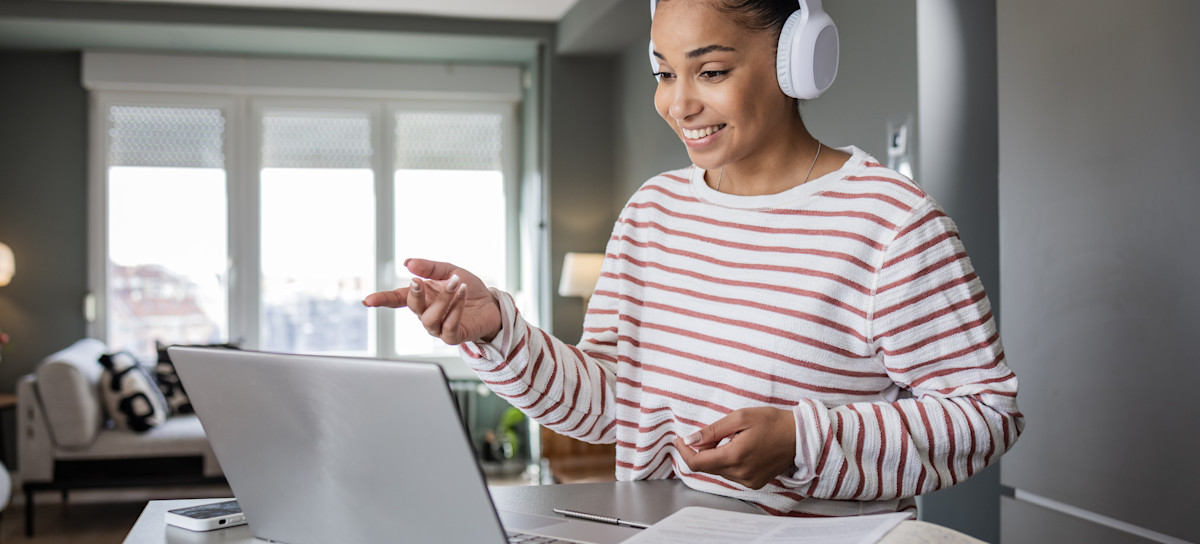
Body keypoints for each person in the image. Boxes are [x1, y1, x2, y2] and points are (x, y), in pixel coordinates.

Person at [365, 0, 1023, 517]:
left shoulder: (889, 223)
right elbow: (609, 405)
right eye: (664, 72)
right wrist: (499, 335)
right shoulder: (652, 214)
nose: (678, 104)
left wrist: (802, 439)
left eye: (710, 71)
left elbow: (986, 415)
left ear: (798, 59)